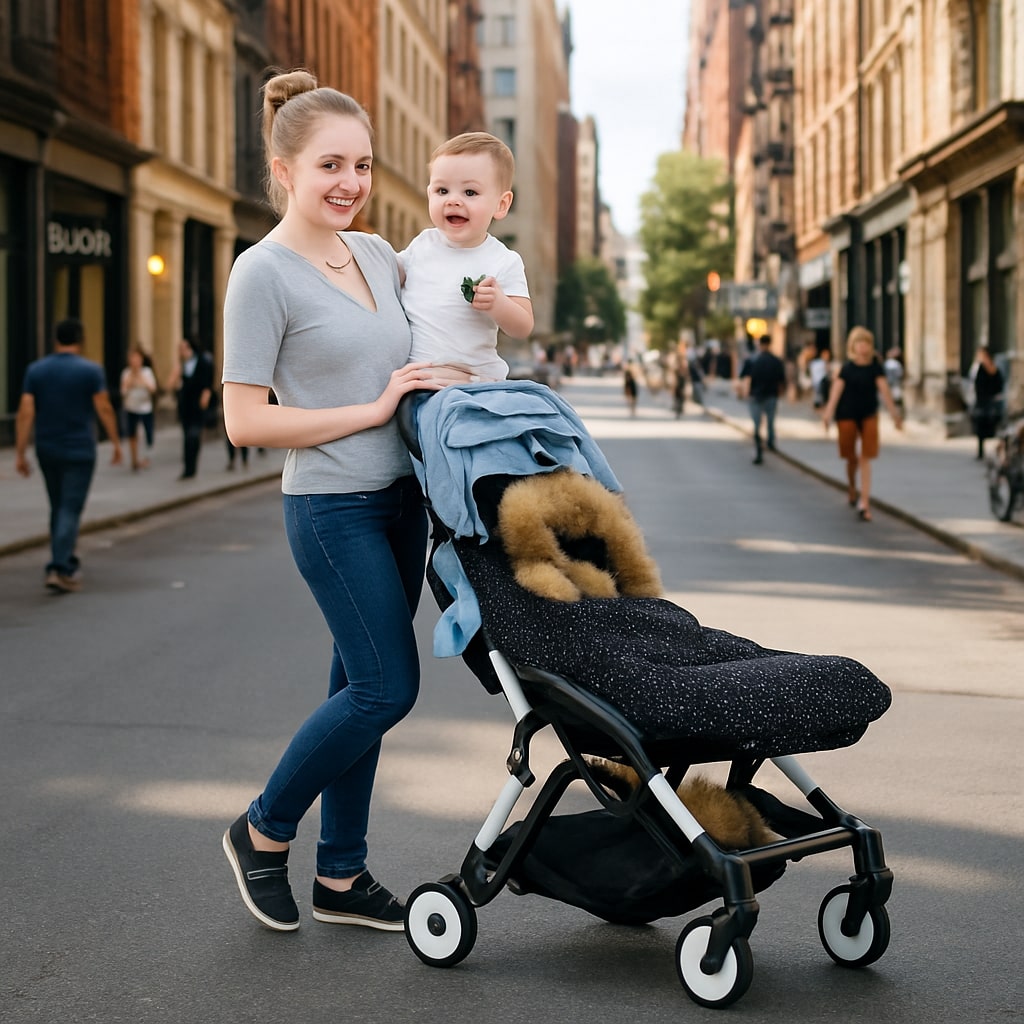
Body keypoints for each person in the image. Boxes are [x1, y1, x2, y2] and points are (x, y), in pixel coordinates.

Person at [219, 70, 444, 934]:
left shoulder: (380, 255)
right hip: (331, 506)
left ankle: (341, 878)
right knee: (386, 688)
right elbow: (244, 421)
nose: (350, 182)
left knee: (356, 682)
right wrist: (374, 410)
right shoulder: (260, 273)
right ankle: (262, 829)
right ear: (284, 169)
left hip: (401, 502)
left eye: (362, 164)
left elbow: (440, 333)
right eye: (329, 166)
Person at [398, 131, 533, 384]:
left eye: (470, 192)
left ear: (501, 205)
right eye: (442, 190)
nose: (453, 201)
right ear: (429, 194)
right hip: (420, 380)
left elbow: (523, 326)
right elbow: (390, 274)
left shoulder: (503, 260)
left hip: (476, 383)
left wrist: (499, 304)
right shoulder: (422, 245)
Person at [14, 317, 123, 592]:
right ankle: (59, 567)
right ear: (80, 340)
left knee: (58, 505)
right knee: (70, 508)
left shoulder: (36, 370)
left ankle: (65, 557)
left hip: (47, 448)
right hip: (79, 449)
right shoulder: (90, 370)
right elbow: (104, 407)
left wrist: (20, 452)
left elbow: (26, 412)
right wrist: (116, 442)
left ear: (56, 340)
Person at [821, 325, 904, 521]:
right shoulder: (846, 369)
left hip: (868, 414)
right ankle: (852, 487)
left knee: (865, 457)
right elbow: (836, 392)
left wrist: (895, 415)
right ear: (853, 346)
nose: (862, 347)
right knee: (851, 457)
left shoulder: (875, 368)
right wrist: (827, 414)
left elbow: (885, 392)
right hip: (847, 415)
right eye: (859, 343)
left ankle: (864, 501)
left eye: (866, 343)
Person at [167, 336, 213, 479]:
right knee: (187, 436)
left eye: (183, 348)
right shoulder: (182, 365)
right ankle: (188, 467)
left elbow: (207, 383)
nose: (181, 351)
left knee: (193, 435)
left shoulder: (203, 361)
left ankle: (192, 466)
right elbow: (171, 385)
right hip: (185, 405)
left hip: (197, 405)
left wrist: (205, 397)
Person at [737, 335, 787, 464]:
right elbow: (782, 381)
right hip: (771, 395)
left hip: (755, 395)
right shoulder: (776, 361)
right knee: (770, 421)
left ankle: (759, 449)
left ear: (759, 344)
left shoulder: (752, 360)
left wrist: (745, 392)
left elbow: (744, 378)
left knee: (757, 424)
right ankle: (770, 443)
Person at [120, 346, 158, 470]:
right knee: (132, 434)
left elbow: (153, 389)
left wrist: (141, 377)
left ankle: (145, 457)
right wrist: (131, 379)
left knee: (145, 434)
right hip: (131, 407)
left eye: (137, 358)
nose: (134, 361)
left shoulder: (146, 372)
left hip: (144, 408)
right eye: (132, 358)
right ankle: (134, 459)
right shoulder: (126, 373)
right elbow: (123, 391)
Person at [969, 346, 1005, 460]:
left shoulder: (995, 369)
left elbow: (999, 385)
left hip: (993, 402)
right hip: (982, 402)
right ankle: (981, 451)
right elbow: (977, 385)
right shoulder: (980, 368)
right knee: (981, 428)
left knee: (996, 426)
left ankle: (999, 452)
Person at [883, 347, 905, 416]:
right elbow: (900, 374)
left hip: (889, 384)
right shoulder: (896, 364)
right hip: (895, 385)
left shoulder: (886, 363)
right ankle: (897, 414)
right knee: (897, 401)